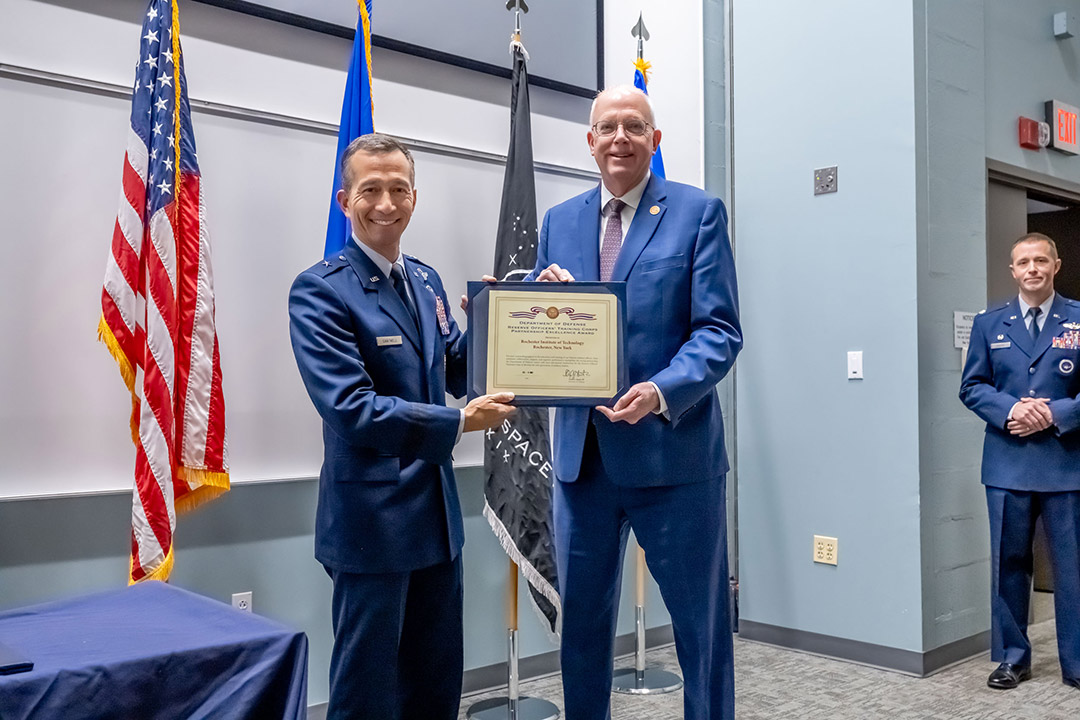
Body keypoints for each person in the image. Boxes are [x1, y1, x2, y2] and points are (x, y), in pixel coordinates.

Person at [527, 85, 742, 719]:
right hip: (582, 462)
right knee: (584, 631)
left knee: (700, 631)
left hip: (674, 460)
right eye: (608, 127)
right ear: (589, 141)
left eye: (635, 126)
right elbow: (548, 326)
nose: (621, 137)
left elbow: (720, 331)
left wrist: (660, 391)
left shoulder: (698, 213)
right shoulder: (558, 221)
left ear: (655, 140)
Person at [288, 134, 515, 720]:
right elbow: (350, 407)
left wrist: (504, 319)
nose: (385, 203)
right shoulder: (319, 291)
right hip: (372, 524)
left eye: (398, 189)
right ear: (345, 201)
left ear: (415, 198)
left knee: (435, 683)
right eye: (370, 190)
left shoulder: (426, 281)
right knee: (367, 691)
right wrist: (459, 422)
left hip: (435, 522)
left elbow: (460, 365)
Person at [960, 232, 1080, 691]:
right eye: (1023, 262)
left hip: (1065, 464)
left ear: (1056, 265)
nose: (1032, 268)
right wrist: (1012, 409)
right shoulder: (991, 324)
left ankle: (1075, 661)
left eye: (1040, 260)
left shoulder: (1077, 319)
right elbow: (972, 386)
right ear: (1013, 270)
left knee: (1071, 569)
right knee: (1008, 565)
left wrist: (1052, 412)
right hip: (1008, 464)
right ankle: (1014, 658)